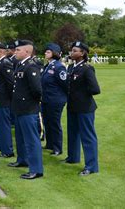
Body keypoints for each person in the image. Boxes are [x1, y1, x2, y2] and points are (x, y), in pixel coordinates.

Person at [9, 40, 43, 179]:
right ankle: (22, 160)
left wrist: (31, 103)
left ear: (27, 52)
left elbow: (37, 90)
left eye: (18, 50)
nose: (15, 52)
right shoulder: (20, 65)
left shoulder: (31, 67)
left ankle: (36, 169)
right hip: (19, 108)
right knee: (20, 137)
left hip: (28, 108)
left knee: (31, 140)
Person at [65, 41, 100, 176]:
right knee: (73, 133)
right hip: (73, 106)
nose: (71, 53)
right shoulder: (71, 67)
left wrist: (80, 94)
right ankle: (73, 157)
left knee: (87, 137)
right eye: (71, 50)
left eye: (75, 51)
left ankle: (91, 166)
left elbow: (95, 89)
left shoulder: (87, 68)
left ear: (83, 53)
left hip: (85, 107)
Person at [41, 43, 68, 156]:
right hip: (46, 99)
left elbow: (65, 84)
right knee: (47, 121)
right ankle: (50, 144)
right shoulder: (47, 65)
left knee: (54, 123)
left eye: (48, 51)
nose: (45, 53)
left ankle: (57, 148)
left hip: (55, 100)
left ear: (54, 53)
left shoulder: (59, 66)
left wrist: (60, 97)